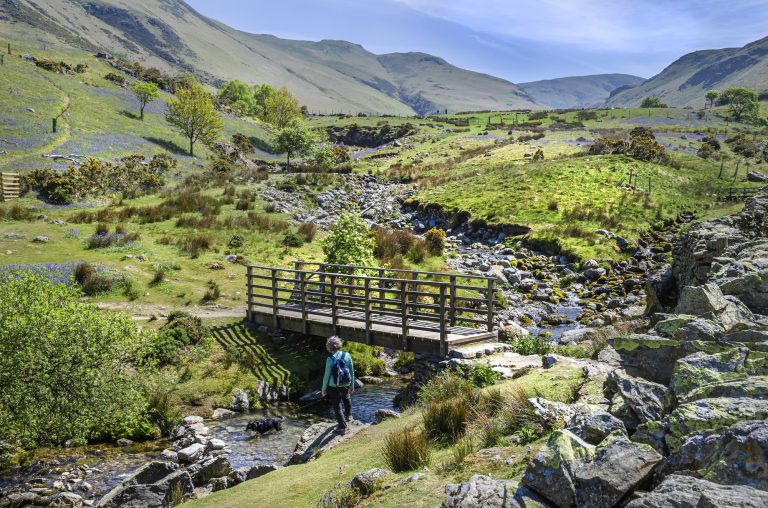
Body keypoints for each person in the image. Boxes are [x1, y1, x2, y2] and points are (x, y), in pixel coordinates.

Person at [321, 336, 355, 434]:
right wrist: (352, 385)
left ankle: (342, 427)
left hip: (333, 386)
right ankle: (349, 416)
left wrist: (323, 389)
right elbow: (352, 371)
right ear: (339, 344)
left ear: (329, 347)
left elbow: (326, 375)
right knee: (347, 398)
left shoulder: (330, 359)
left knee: (337, 405)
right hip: (346, 383)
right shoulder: (347, 355)